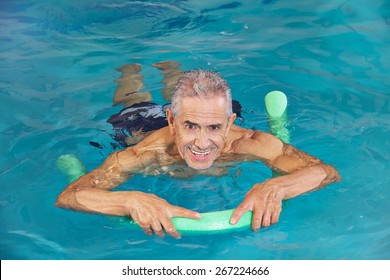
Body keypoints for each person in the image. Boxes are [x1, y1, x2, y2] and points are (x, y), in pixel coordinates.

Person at [56, 69, 341, 239]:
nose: (202, 143)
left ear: (229, 123)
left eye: (214, 127)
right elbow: (70, 196)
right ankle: (130, 71)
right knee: (135, 101)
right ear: (172, 121)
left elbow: (326, 171)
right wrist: (129, 199)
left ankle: (171, 70)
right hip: (143, 126)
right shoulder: (145, 153)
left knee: (178, 91)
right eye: (190, 126)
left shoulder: (250, 143)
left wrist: (277, 185)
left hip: (189, 111)